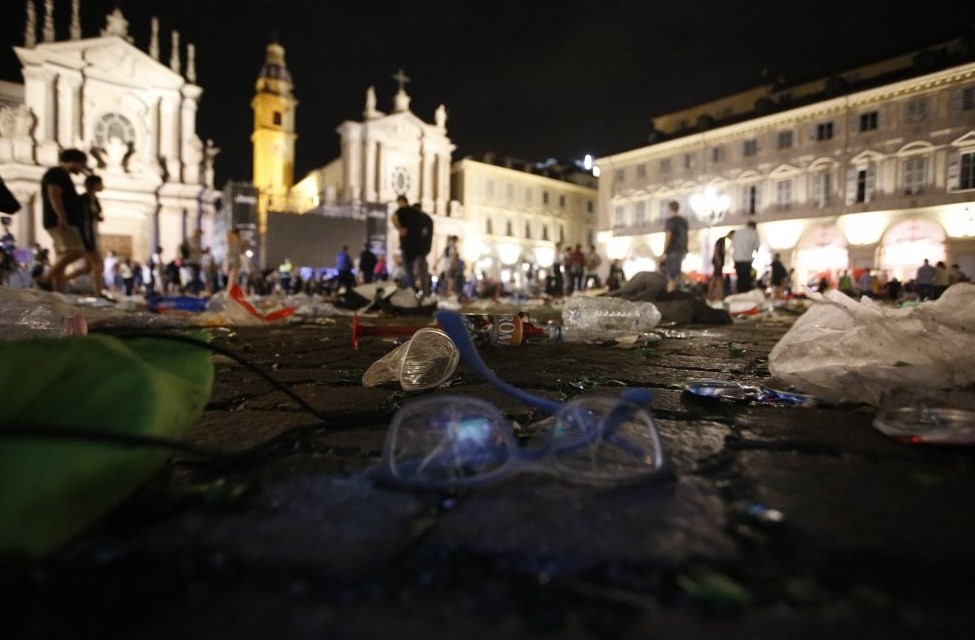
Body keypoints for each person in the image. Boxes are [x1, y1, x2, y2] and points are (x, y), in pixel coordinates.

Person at [36, 148, 88, 292]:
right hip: (60, 221)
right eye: (82, 164)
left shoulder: (60, 174)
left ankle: (57, 291)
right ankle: (45, 279)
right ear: (75, 162)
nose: (83, 168)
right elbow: (54, 194)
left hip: (58, 220)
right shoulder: (57, 173)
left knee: (61, 256)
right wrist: (62, 216)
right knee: (76, 251)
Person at [66, 174, 105, 295]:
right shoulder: (84, 199)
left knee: (88, 267)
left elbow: (95, 215)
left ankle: (62, 279)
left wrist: (97, 217)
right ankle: (98, 293)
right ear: (95, 184)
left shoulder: (94, 200)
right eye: (100, 183)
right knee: (98, 265)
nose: (102, 186)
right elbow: (81, 220)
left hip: (91, 236)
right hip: (86, 238)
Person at [391, 195, 422, 290]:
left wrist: (399, 228)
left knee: (408, 268)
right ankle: (413, 288)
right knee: (412, 269)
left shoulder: (402, 211)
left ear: (402, 202)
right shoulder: (416, 213)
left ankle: (411, 289)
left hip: (407, 245)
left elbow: (393, 217)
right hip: (416, 246)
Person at [663, 200, 688, 292]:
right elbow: (685, 236)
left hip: (672, 250)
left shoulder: (671, 221)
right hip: (681, 250)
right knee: (677, 273)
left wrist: (664, 250)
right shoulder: (683, 221)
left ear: (670, 208)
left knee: (671, 276)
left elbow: (668, 236)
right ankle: (680, 291)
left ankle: (671, 294)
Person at [731, 219, 760, 293]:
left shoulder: (738, 232)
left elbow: (733, 246)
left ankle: (740, 294)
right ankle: (746, 295)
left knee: (740, 279)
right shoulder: (753, 233)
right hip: (747, 260)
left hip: (737, 260)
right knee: (746, 280)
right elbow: (757, 247)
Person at [413, 203, 434, 297]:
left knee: (420, 271)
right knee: (422, 271)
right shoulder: (427, 219)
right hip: (423, 250)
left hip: (421, 250)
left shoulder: (424, 219)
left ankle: (424, 293)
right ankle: (424, 292)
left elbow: (423, 233)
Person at [709, 231, 734, 300]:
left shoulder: (723, 241)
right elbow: (716, 250)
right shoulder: (721, 240)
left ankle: (710, 294)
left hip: (718, 261)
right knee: (718, 278)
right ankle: (720, 294)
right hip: (718, 262)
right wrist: (718, 260)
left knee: (715, 278)